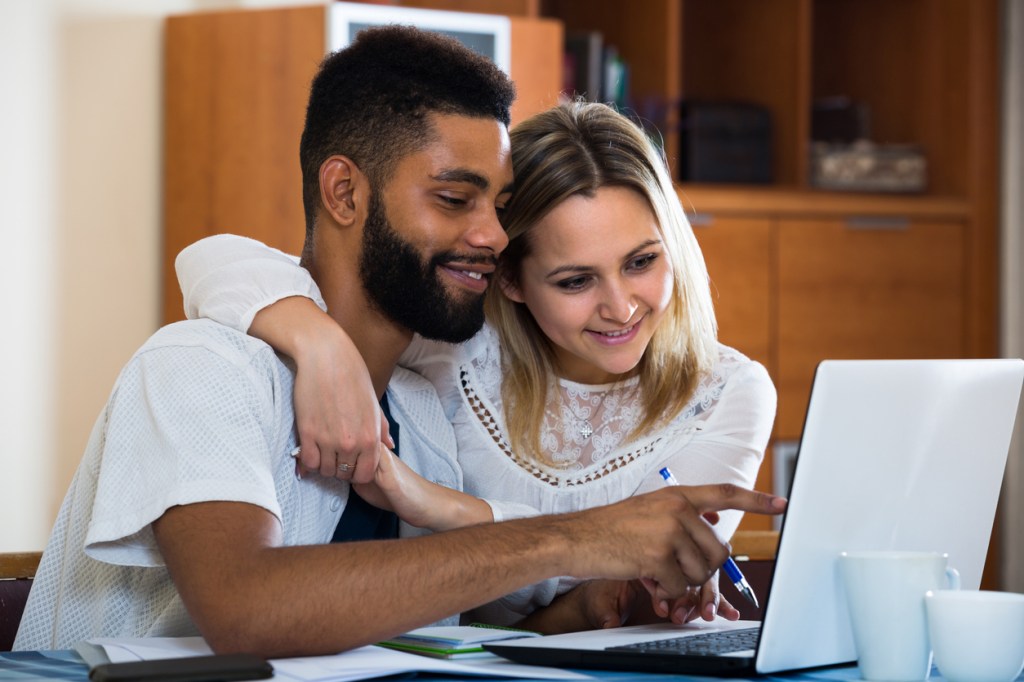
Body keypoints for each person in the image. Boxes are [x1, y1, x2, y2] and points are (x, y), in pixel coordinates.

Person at [14, 28, 785, 656]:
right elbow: (247, 613)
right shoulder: (203, 370)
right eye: (455, 199)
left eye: (500, 205)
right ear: (344, 192)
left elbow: (455, 640)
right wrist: (573, 540)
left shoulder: (421, 411)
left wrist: (593, 604)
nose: (491, 236)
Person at [173, 102, 777, 628]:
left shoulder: (728, 391)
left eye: (642, 261)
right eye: (575, 280)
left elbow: (611, 601)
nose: (620, 307)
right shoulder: (454, 342)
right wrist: (319, 344)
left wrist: (437, 505)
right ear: (511, 279)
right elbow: (212, 262)